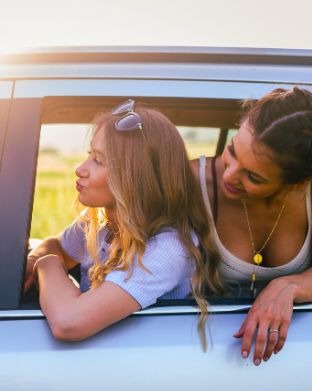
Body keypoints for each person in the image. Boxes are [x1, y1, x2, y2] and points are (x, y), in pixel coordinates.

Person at [24, 100, 222, 348]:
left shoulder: (167, 249)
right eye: (89, 155)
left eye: (98, 160)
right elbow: (59, 246)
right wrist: (34, 258)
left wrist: (45, 263)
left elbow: (68, 322)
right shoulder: (100, 220)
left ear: (137, 177)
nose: (80, 169)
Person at [193, 87, 312, 365]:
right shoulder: (188, 183)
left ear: (297, 183)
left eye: (253, 177)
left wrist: (291, 286)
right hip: (204, 357)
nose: (230, 174)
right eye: (232, 151)